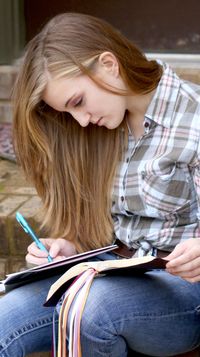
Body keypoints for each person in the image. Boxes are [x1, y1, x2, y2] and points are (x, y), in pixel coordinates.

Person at [0, 12, 200, 357]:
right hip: (109, 270)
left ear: (109, 64)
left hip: (182, 290)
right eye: (68, 112)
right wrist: (70, 249)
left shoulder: (192, 118)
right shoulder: (100, 127)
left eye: (77, 102)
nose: (80, 120)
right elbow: (112, 231)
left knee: (90, 310)